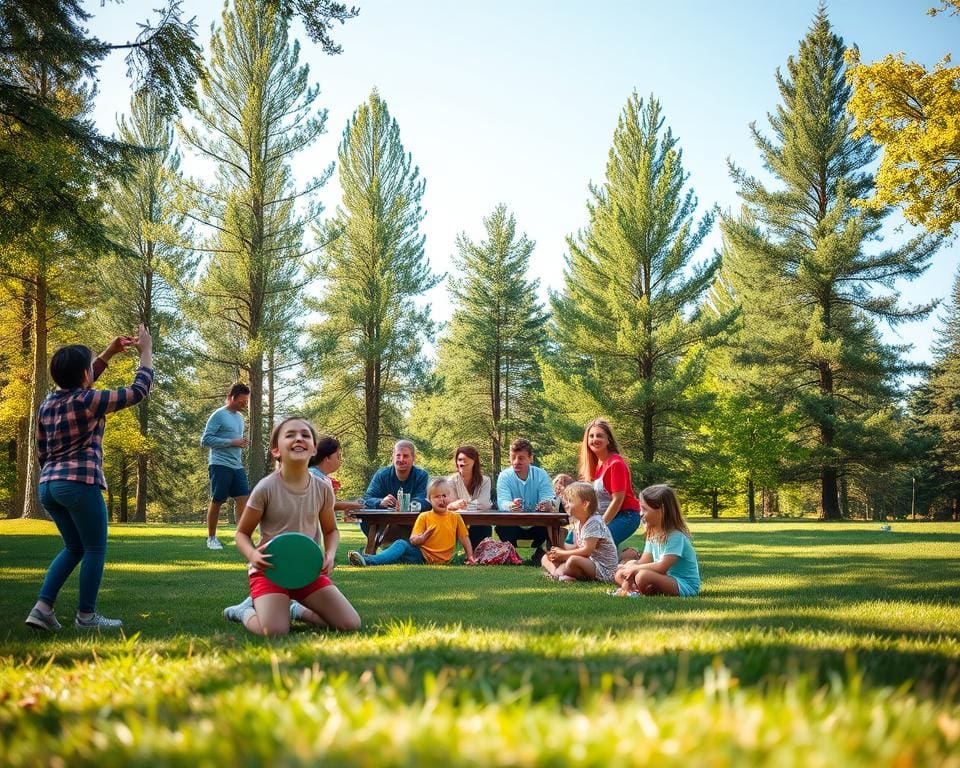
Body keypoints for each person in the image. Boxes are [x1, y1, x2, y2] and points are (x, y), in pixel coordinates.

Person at [24, 325, 153, 632]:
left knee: (74, 547)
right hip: (79, 483)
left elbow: (41, 447)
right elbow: (138, 391)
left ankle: (42, 608)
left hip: (49, 486)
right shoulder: (89, 400)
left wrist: (108, 353)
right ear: (85, 374)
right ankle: (86, 616)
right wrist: (146, 351)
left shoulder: (48, 403)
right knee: (94, 548)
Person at [223, 416, 361, 636]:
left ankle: (295, 609)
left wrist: (330, 554)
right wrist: (253, 555)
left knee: (349, 624)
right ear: (276, 450)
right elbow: (242, 533)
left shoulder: (323, 489)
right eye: (290, 435)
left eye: (305, 435)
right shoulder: (266, 488)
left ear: (314, 449)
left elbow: (331, 530)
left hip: (308, 571)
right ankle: (243, 612)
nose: (299, 438)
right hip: (270, 571)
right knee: (275, 631)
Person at [348, 478, 475, 566]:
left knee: (397, 557)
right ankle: (368, 560)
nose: (442, 499)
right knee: (401, 544)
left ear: (450, 497)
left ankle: (367, 558)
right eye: (437, 496)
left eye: (444, 496)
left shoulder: (455, 518)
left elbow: (464, 539)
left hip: (444, 560)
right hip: (422, 556)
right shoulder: (424, 517)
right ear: (429, 500)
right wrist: (423, 537)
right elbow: (413, 540)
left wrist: (470, 557)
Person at [613, 484, 700, 597]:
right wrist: (628, 567)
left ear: (662, 510)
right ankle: (636, 589)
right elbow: (644, 561)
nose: (640, 513)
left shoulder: (675, 536)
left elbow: (662, 566)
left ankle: (636, 590)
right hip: (664, 577)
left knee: (642, 576)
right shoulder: (652, 534)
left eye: (645, 509)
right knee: (621, 572)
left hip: (682, 583)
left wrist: (635, 569)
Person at [576, 418, 641, 549]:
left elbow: (618, 500)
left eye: (600, 436)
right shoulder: (595, 465)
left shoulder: (616, 463)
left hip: (626, 515)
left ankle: (630, 556)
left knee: (597, 545)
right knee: (573, 539)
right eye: (591, 436)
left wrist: (599, 526)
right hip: (604, 516)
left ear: (608, 440)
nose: (595, 439)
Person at [200, 382, 251, 550]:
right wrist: (231, 442)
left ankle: (241, 537)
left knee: (243, 498)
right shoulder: (219, 415)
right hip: (220, 464)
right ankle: (211, 538)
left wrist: (240, 443)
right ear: (231, 398)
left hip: (237, 465)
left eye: (246, 401)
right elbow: (206, 440)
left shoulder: (240, 418)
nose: (244, 404)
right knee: (217, 500)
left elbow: (235, 440)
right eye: (242, 401)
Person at [541, 482, 618, 583]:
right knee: (545, 558)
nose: (566, 504)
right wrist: (558, 552)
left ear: (584, 504)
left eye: (570, 501)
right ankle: (556, 574)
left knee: (573, 560)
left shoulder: (594, 522)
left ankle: (558, 574)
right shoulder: (578, 523)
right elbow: (577, 547)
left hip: (603, 568)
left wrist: (563, 553)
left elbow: (587, 551)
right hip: (588, 562)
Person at [360, 439, 430, 550]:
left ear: (413, 458)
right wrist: (381, 502)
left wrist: (408, 505)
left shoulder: (422, 476)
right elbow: (367, 498)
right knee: (366, 521)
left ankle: (387, 548)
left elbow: (425, 500)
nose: (401, 459)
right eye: (398, 455)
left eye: (405, 456)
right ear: (393, 457)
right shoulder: (382, 475)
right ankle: (383, 545)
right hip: (383, 522)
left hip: (412, 525)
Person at [494, 437, 555, 563]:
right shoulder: (504, 476)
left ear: (530, 458)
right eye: (513, 457)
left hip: (538, 525)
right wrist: (510, 505)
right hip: (512, 525)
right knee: (501, 525)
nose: (516, 462)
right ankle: (511, 554)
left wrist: (546, 504)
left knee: (553, 521)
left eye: (521, 458)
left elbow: (549, 498)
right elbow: (502, 501)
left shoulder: (541, 475)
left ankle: (543, 554)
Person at [446, 444, 493, 548]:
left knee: (483, 527)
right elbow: (450, 505)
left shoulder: (485, 481)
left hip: (478, 522)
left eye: (465, 460)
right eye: (459, 460)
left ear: (474, 461)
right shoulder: (451, 480)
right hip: (456, 521)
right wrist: (454, 505)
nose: (462, 463)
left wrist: (462, 505)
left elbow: (485, 504)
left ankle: (479, 553)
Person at [309, 435, 363, 516]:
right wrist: (354, 505)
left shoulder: (318, 475)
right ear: (327, 458)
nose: (340, 461)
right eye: (338, 456)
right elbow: (326, 505)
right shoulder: (315, 477)